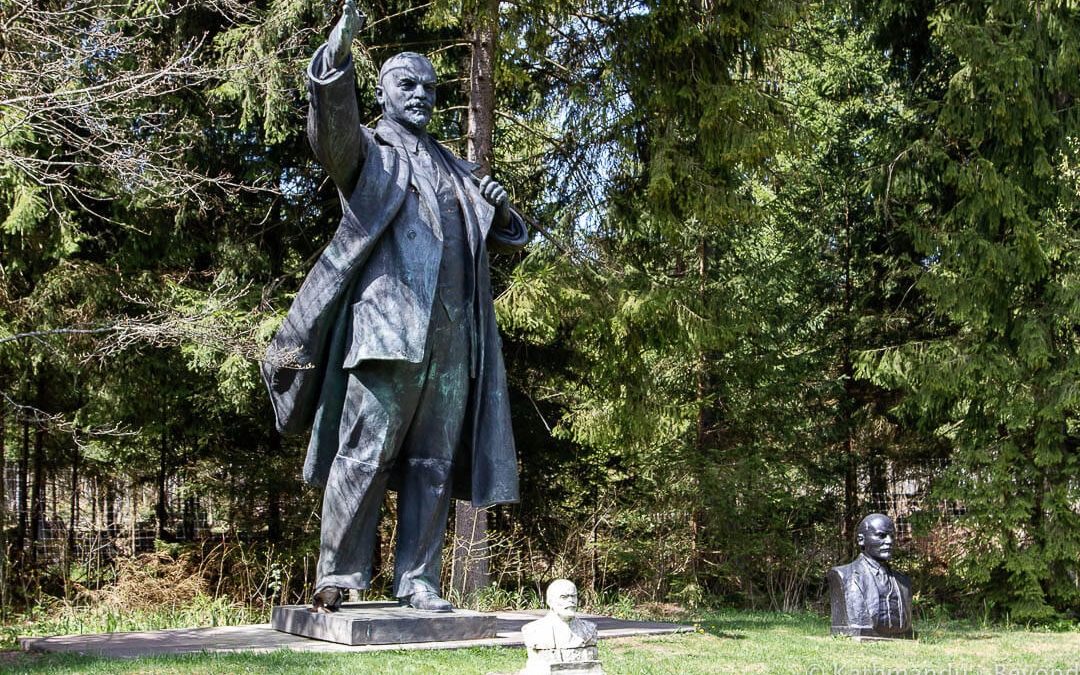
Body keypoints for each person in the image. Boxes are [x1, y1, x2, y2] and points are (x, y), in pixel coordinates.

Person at [261, 0, 527, 613]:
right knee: (363, 454)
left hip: (451, 338)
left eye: (431, 87)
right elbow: (330, 135)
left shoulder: (453, 167)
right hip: (386, 329)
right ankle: (339, 576)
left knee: (433, 462)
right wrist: (336, 56)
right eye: (407, 84)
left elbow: (504, 232)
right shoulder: (372, 153)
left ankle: (419, 581)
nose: (421, 95)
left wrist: (501, 206)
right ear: (381, 94)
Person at [828, 513, 914, 638]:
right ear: (861, 540)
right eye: (881, 536)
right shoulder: (843, 575)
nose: (889, 541)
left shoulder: (903, 582)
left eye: (891, 536)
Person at [520, 579, 602, 674]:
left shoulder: (589, 629)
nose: (571, 601)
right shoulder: (533, 630)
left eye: (573, 596)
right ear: (550, 601)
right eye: (564, 597)